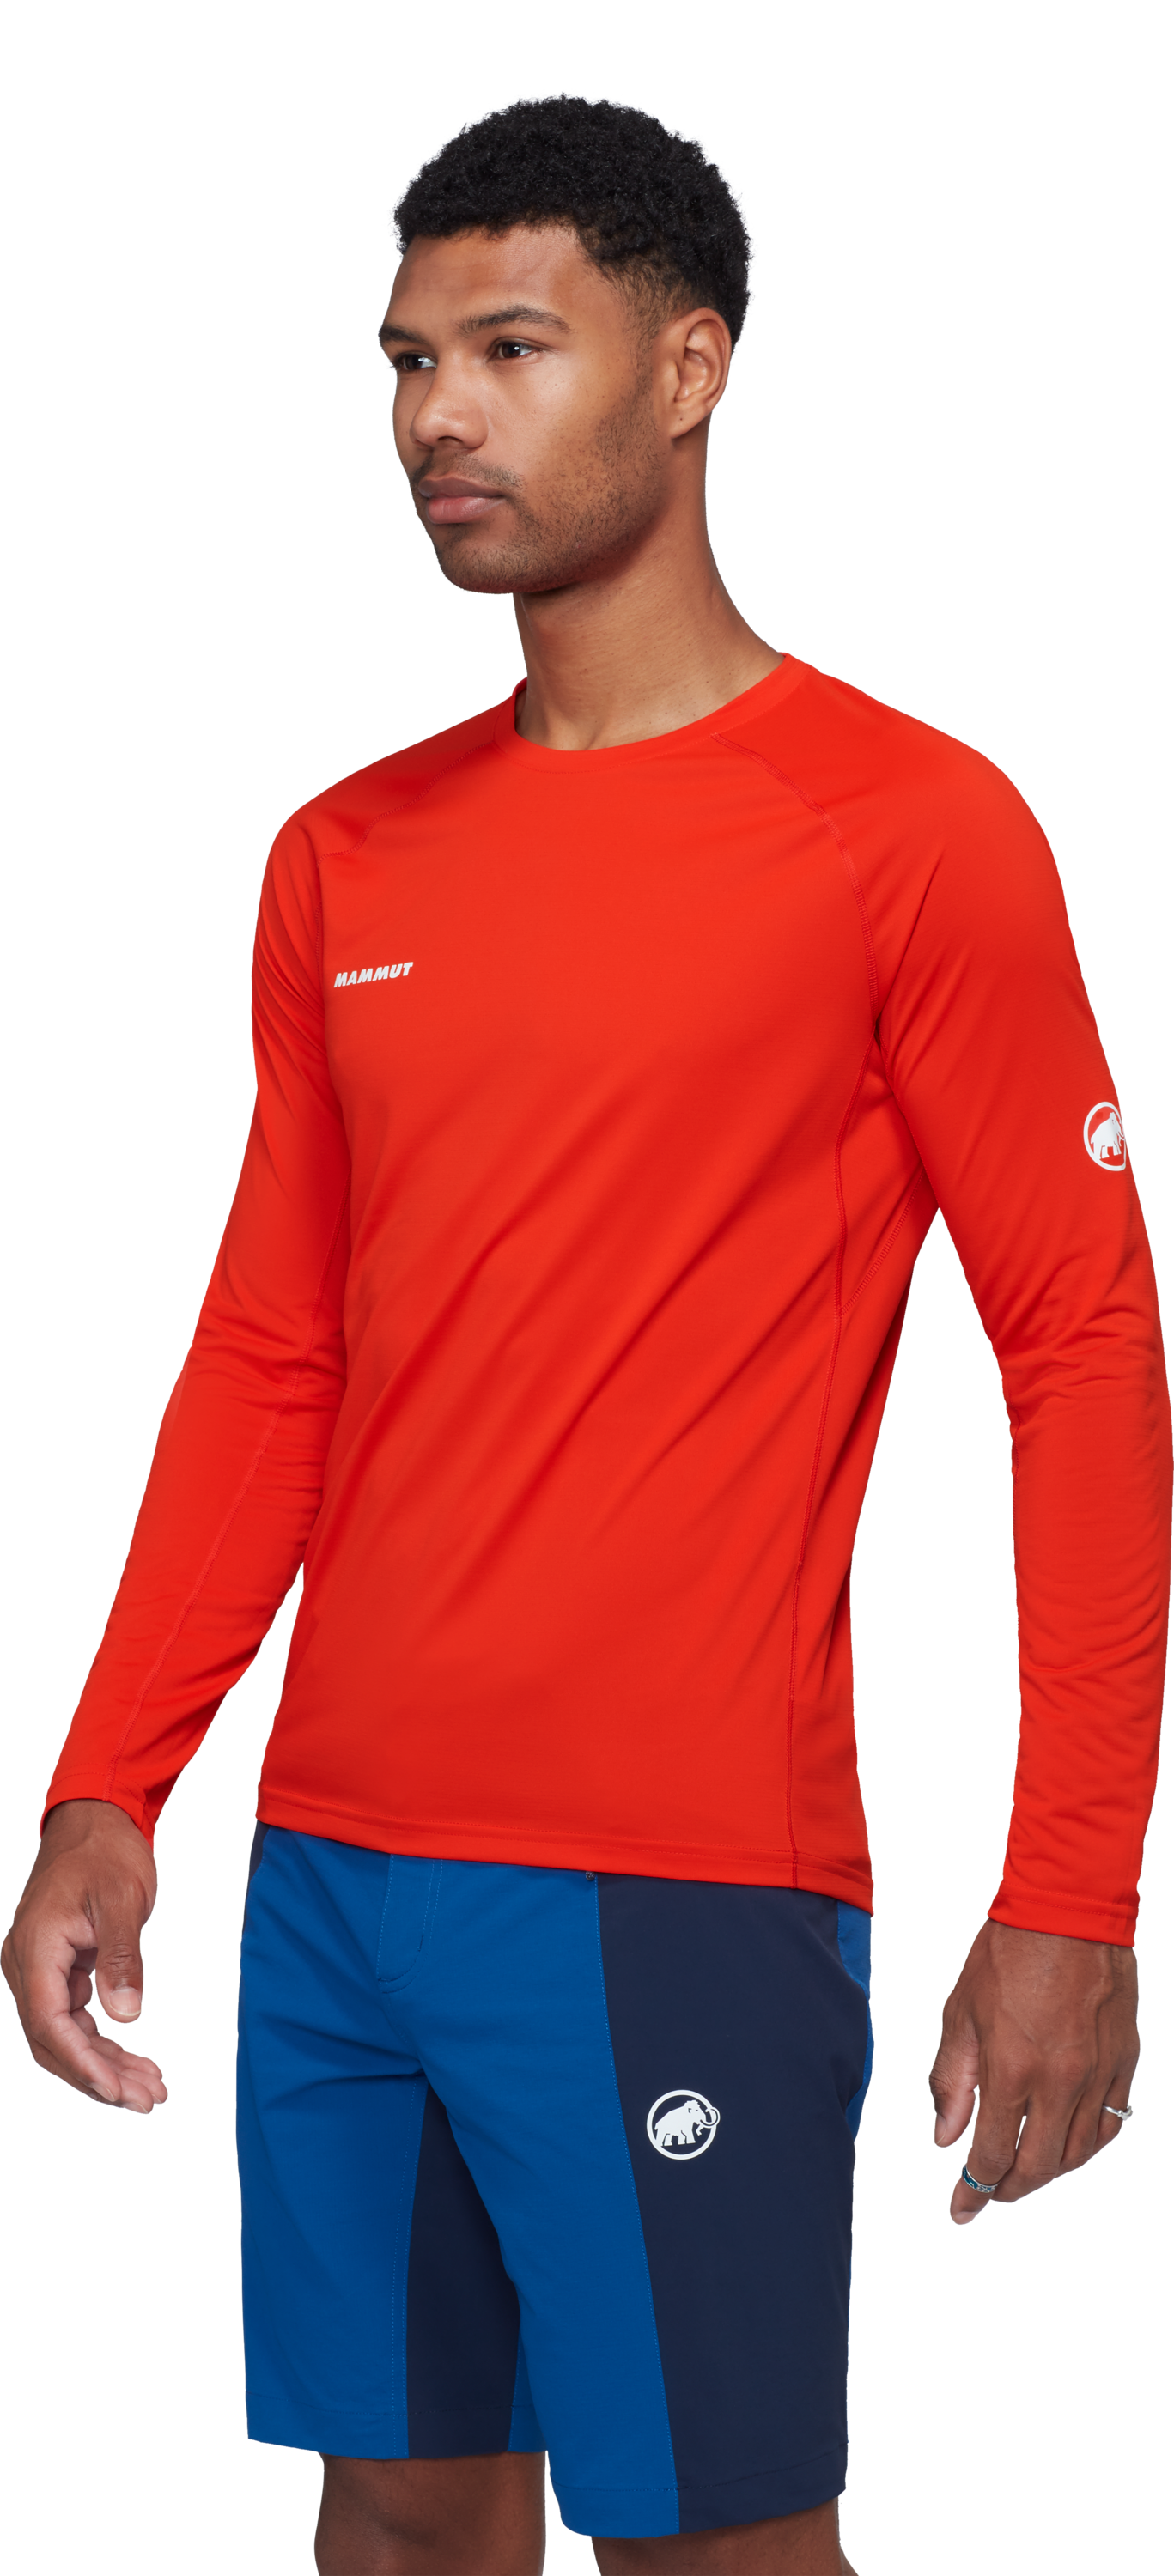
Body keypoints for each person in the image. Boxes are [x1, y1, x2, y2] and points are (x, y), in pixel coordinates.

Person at [3, 89, 1167, 2576]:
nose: (437, 415)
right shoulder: (340, 855)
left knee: (714, 2549)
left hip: (673, 1876)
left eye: (511, 349)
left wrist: (1071, 1887)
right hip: (334, 1866)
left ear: (690, 365)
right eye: (406, 361)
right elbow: (269, 1352)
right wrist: (115, 1776)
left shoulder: (909, 826)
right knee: (403, 2520)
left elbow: (1078, 1355)